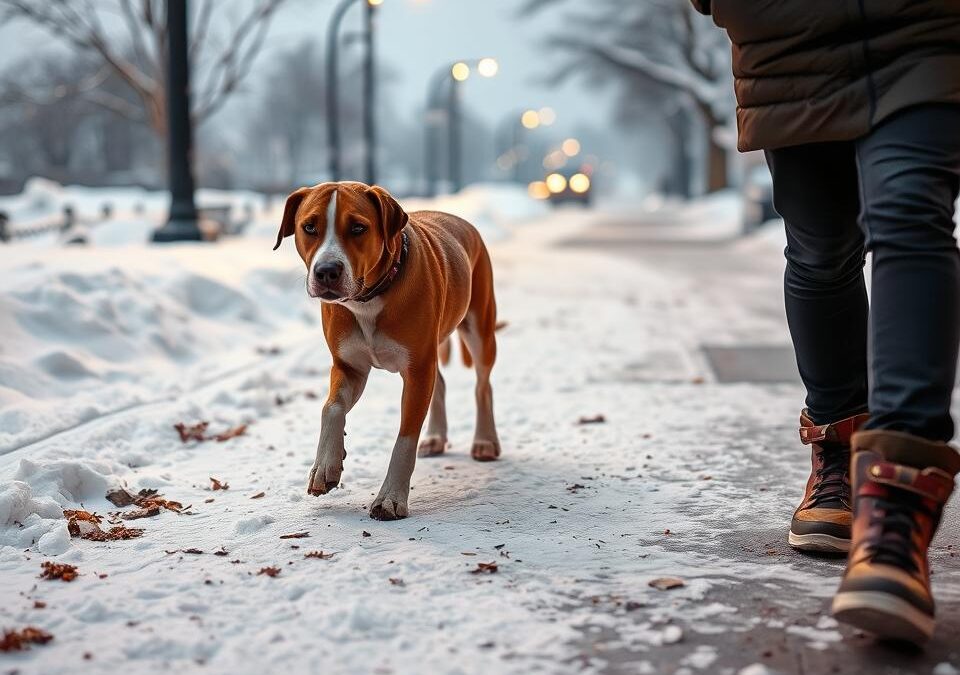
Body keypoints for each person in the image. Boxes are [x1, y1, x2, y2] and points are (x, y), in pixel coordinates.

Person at [689, 0, 960, 646]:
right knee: (820, 249)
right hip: (787, 40)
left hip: (923, 24)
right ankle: (837, 448)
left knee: (909, 215)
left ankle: (895, 512)